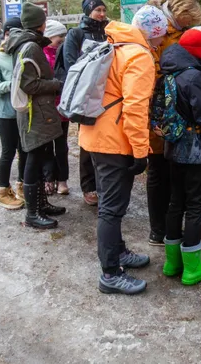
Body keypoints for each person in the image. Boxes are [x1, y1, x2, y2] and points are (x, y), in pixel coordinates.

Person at [79, 20, 156, 295]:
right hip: (114, 142)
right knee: (111, 208)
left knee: (109, 204)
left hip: (94, 135)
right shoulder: (138, 55)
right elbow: (135, 108)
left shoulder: (113, 45)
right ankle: (110, 273)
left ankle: (119, 252)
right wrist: (140, 151)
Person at [159, 29, 201, 286]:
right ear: (200, 54)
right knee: (194, 206)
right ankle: (192, 268)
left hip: (172, 147)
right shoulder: (194, 76)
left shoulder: (170, 70)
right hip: (194, 150)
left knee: (176, 203)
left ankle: (172, 262)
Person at [146, 0, 201, 246]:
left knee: (169, 173)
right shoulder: (159, 31)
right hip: (160, 114)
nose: (190, 26)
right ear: (179, 15)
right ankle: (158, 230)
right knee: (158, 171)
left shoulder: (177, 33)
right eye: (188, 21)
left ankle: (170, 229)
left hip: (173, 115)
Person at [5, 3, 66, 229]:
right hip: (34, 113)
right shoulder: (30, 46)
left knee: (40, 155)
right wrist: (56, 84)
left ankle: (41, 204)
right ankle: (32, 213)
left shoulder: (26, 43)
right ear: (41, 24)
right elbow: (29, 84)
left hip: (38, 111)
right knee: (33, 159)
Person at [56, 0, 108, 206]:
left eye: (104, 10)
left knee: (105, 140)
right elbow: (71, 65)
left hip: (107, 92)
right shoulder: (76, 34)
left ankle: (104, 183)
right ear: (88, 12)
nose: (102, 14)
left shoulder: (108, 32)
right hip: (85, 93)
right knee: (88, 142)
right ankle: (89, 186)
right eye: (97, 10)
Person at [131, 5, 172, 245]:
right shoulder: (142, 54)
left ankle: (161, 228)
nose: (163, 39)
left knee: (159, 175)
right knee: (156, 175)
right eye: (161, 34)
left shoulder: (146, 50)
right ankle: (158, 230)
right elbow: (139, 100)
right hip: (147, 129)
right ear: (151, 32)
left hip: (150, 127)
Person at [0, 18, 27, 210]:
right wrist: (13, 84)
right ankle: (2, 192)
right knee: (8, 152)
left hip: (25, 112)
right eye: (13, 32)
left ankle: (22, 186)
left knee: (25, 151)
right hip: (6, 114)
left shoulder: (24, 53)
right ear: (6, 34)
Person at [42, 20, 71, 196]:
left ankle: (62, 179)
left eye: (63, 36)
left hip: (62, 107)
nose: (62, 39)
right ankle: (48, 178)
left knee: (61, 146)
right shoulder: (40, 54)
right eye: (58, 36)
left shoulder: (65, 53)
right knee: (46, 146)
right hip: (46, 107)